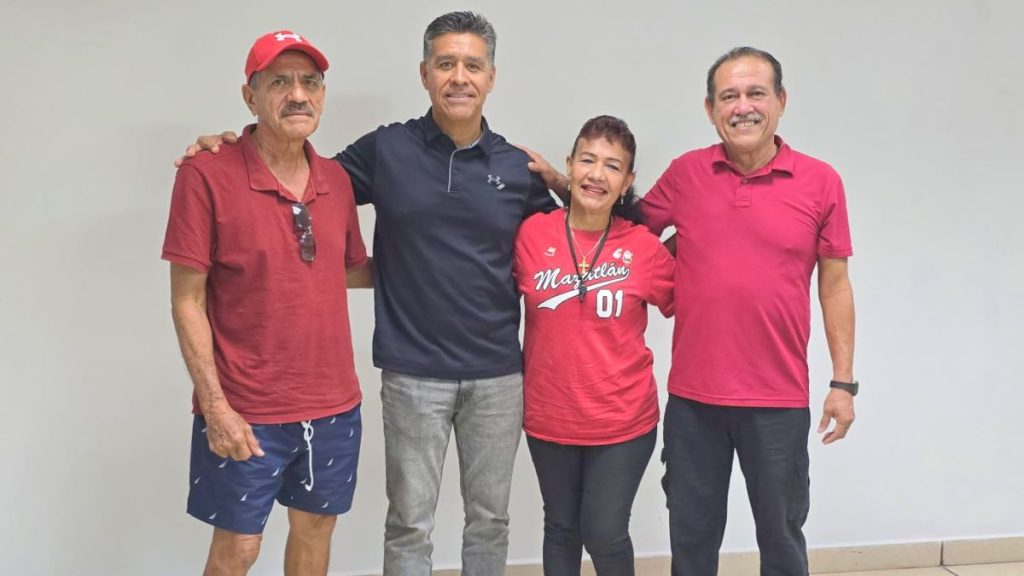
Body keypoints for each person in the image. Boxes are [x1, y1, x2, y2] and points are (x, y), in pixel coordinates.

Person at [176, 12, 556, 575]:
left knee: (489, 520)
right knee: (409, 523)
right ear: (424, 73)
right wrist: (229, 147)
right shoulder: (385, 150)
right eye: (445, 64)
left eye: (473, 66)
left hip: (498, 374)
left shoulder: (516, 168)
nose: (459, 77)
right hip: (412, 373)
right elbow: (293, 175)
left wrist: (565, 181)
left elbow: (573, 236)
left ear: (491, 77)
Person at [526, 47, 858, 576]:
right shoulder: (687, 174)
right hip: (693, 403)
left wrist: (843, 383)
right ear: (710, 109)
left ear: (781, 100)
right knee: (692, 540)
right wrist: (564, 185)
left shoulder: (821, 182)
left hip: (778, 399)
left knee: (781, 538)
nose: (742, 107)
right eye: (729, 96)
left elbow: (835, 286)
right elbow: (620, 222)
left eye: (756, 93)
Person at [163, 30, 370, 576]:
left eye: (310, 82)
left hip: (334, 405)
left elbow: (346, 269)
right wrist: (216, 408)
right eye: (279, 82)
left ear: (322, 95)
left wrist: (448, 262)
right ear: (249, 96)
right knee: (239, 549)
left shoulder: (337, 180)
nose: (298, 95)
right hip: (245, 408)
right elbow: (187, 300)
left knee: (315, 530)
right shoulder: (205, 174)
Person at [513, 115, 674, 575]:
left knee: (604, 531)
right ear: (569, 165)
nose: (597, 174)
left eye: (612, 166)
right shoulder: (531, 234)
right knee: (561, 527)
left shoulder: (644, 248)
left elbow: (691, 301)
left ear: (627, 181)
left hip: (622, 421)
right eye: (587, 160)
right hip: (549, 416)